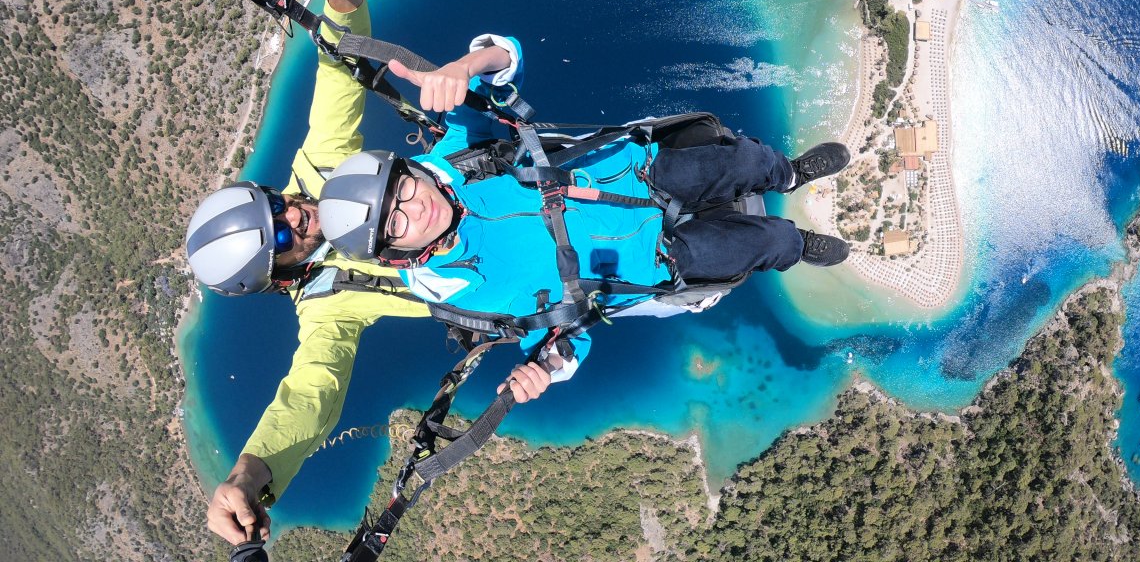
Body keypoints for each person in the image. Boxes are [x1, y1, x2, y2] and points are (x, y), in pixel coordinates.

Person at [185, 0, 551, 548]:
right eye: (282, 234)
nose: (294, 212)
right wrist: (249, 475)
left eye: (273, 202)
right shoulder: (327, 306)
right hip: (521, 276)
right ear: (278, 276)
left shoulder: (316, 170)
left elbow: (338, 76)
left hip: (516, 192)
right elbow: (310, 397)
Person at [317, 40, 853, 381]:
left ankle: (789, 174)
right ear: (392, 254)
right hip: (648, 260)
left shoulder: (452, 160)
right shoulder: (456, 289)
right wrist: (548, 369)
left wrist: (462, 66)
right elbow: (552, 329)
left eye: (403, 189)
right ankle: (797, 245)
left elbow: (504, 59)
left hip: (634, 170)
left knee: (744, 161)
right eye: (395, 223)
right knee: (761, 244)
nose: (415, 208)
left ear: (410, 169)